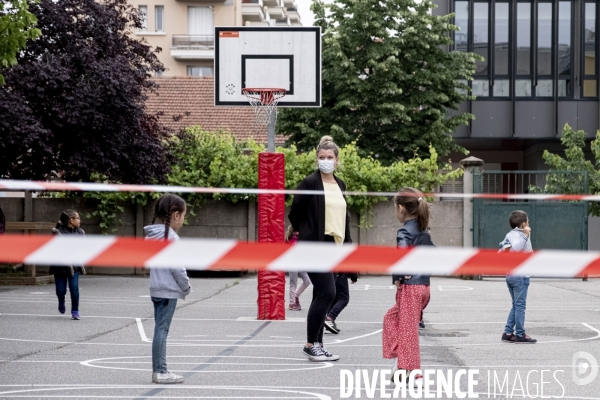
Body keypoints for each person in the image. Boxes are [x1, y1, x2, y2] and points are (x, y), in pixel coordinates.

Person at [288, 135, 351, 362]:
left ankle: (318, 345)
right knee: (328, 292)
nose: (326, 160)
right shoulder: (310, 183)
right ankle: (309, 344)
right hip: (315, 244)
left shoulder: (340, 184)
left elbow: (344, 220)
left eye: (330, 157)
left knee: (320, 293)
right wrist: (303, 229)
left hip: (334, 246)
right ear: (317, 159)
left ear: (337, 160)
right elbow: (295, 211)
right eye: (322, 157)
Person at [382, 188, 433, 387]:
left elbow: (401, 254)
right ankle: (403, 362)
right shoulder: (424, 231)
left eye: (395, 207)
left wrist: (399, 275)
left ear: (401, 208)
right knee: (391, 318)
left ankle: (414, 373)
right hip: (423, 288)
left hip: (410, 288)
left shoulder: (405, 231)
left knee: (408, 331)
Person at [145, 193, 192, 384]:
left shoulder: (152, 236)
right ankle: (160, 371)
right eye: (183, 216)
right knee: (162, 331)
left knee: (159, 330)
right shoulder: (171, 238)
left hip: (156, 288)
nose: (183, 220)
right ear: (175, 215)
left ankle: (160, 369)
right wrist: (186, 285)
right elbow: (177, 267)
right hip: (168, 290)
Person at [500, 210, 537, 344]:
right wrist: (526, 235)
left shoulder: (509, 235)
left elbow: (502, 250)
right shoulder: (521, 236)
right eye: (527, 222)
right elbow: (516, 249)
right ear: (523, 224)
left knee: (516, 305)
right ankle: (520, 334)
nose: (529, 224)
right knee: (520, 305)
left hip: (511, 275)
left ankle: (508, 332)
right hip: (519, 275)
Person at [49, 209, 85, 320]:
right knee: (61, 290)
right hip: (60, 266)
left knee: (74, 288)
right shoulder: (58, 233)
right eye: (78, 218)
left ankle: (75, 311)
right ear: (71, 220)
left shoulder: (80, 233)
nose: (79, 220)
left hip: (75, 265)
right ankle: (61, 300)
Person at [286, 226, 311, 311]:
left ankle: (295, 296)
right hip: (293, 263)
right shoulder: (293, 239)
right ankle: (292, 302)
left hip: (300, 263)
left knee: (307, 281)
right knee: (293, 283)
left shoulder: (298, 238)